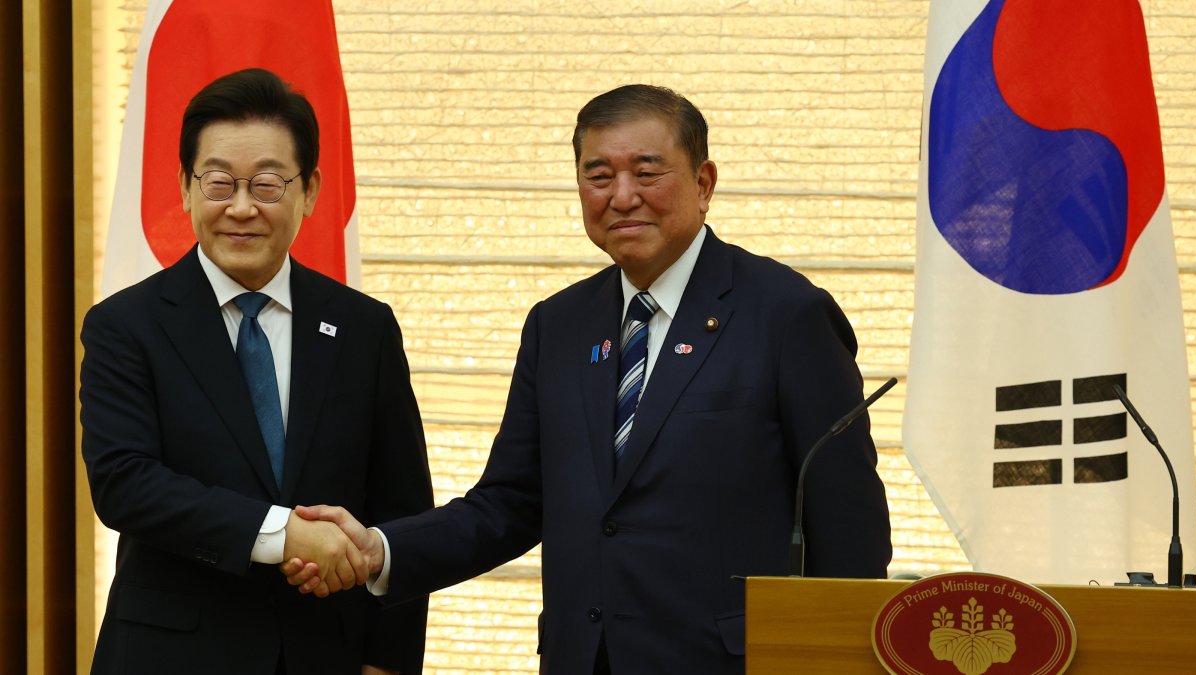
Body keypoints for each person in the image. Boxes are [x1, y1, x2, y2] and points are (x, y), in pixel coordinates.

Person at [286, 84, 891, 674]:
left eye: (647, 172)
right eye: (599, 176)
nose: (622, 196)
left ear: (704, 184)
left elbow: (849, 526)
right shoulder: (559, 325)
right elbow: (511, 503)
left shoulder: (786, 314)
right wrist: (380, 550)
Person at [80, 68, 433, 675]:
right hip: (171, 655)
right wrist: (282, 535)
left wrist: (390, 661)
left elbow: (403, 509)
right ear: (186, 188)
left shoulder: (364, 328)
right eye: (218, 183)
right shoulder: (125, 325)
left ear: (311, 190)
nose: (241, 208)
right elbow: (125, 484)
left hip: (327, 653)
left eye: (267, 185)